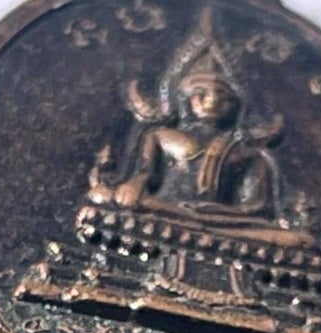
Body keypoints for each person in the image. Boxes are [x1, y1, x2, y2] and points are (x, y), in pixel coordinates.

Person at [90, 12, 289, 226]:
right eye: (200, 93)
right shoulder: (160, 136)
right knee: (103, 197)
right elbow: (144, 174)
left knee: (294, 239)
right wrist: (134, 185)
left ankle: (191, 219)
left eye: (222, 95)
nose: (211, 101)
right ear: (183, 99)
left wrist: (209, 212)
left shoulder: (250, 154)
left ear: (236, 106)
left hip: (218, 222)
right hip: (159, 209)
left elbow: (257, 208)